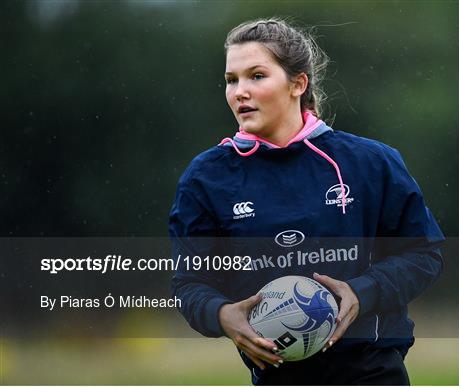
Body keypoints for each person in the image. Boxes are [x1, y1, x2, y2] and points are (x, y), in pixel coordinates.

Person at [169, 18, 444, 385]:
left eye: (256, 76)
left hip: (373, 372)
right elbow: (190, 284)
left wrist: (363, 292)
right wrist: (221, 314)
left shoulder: (370, 162)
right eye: (231, 80)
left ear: (298, 83)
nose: (240, 91)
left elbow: (423, 254)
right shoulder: (206, 178)